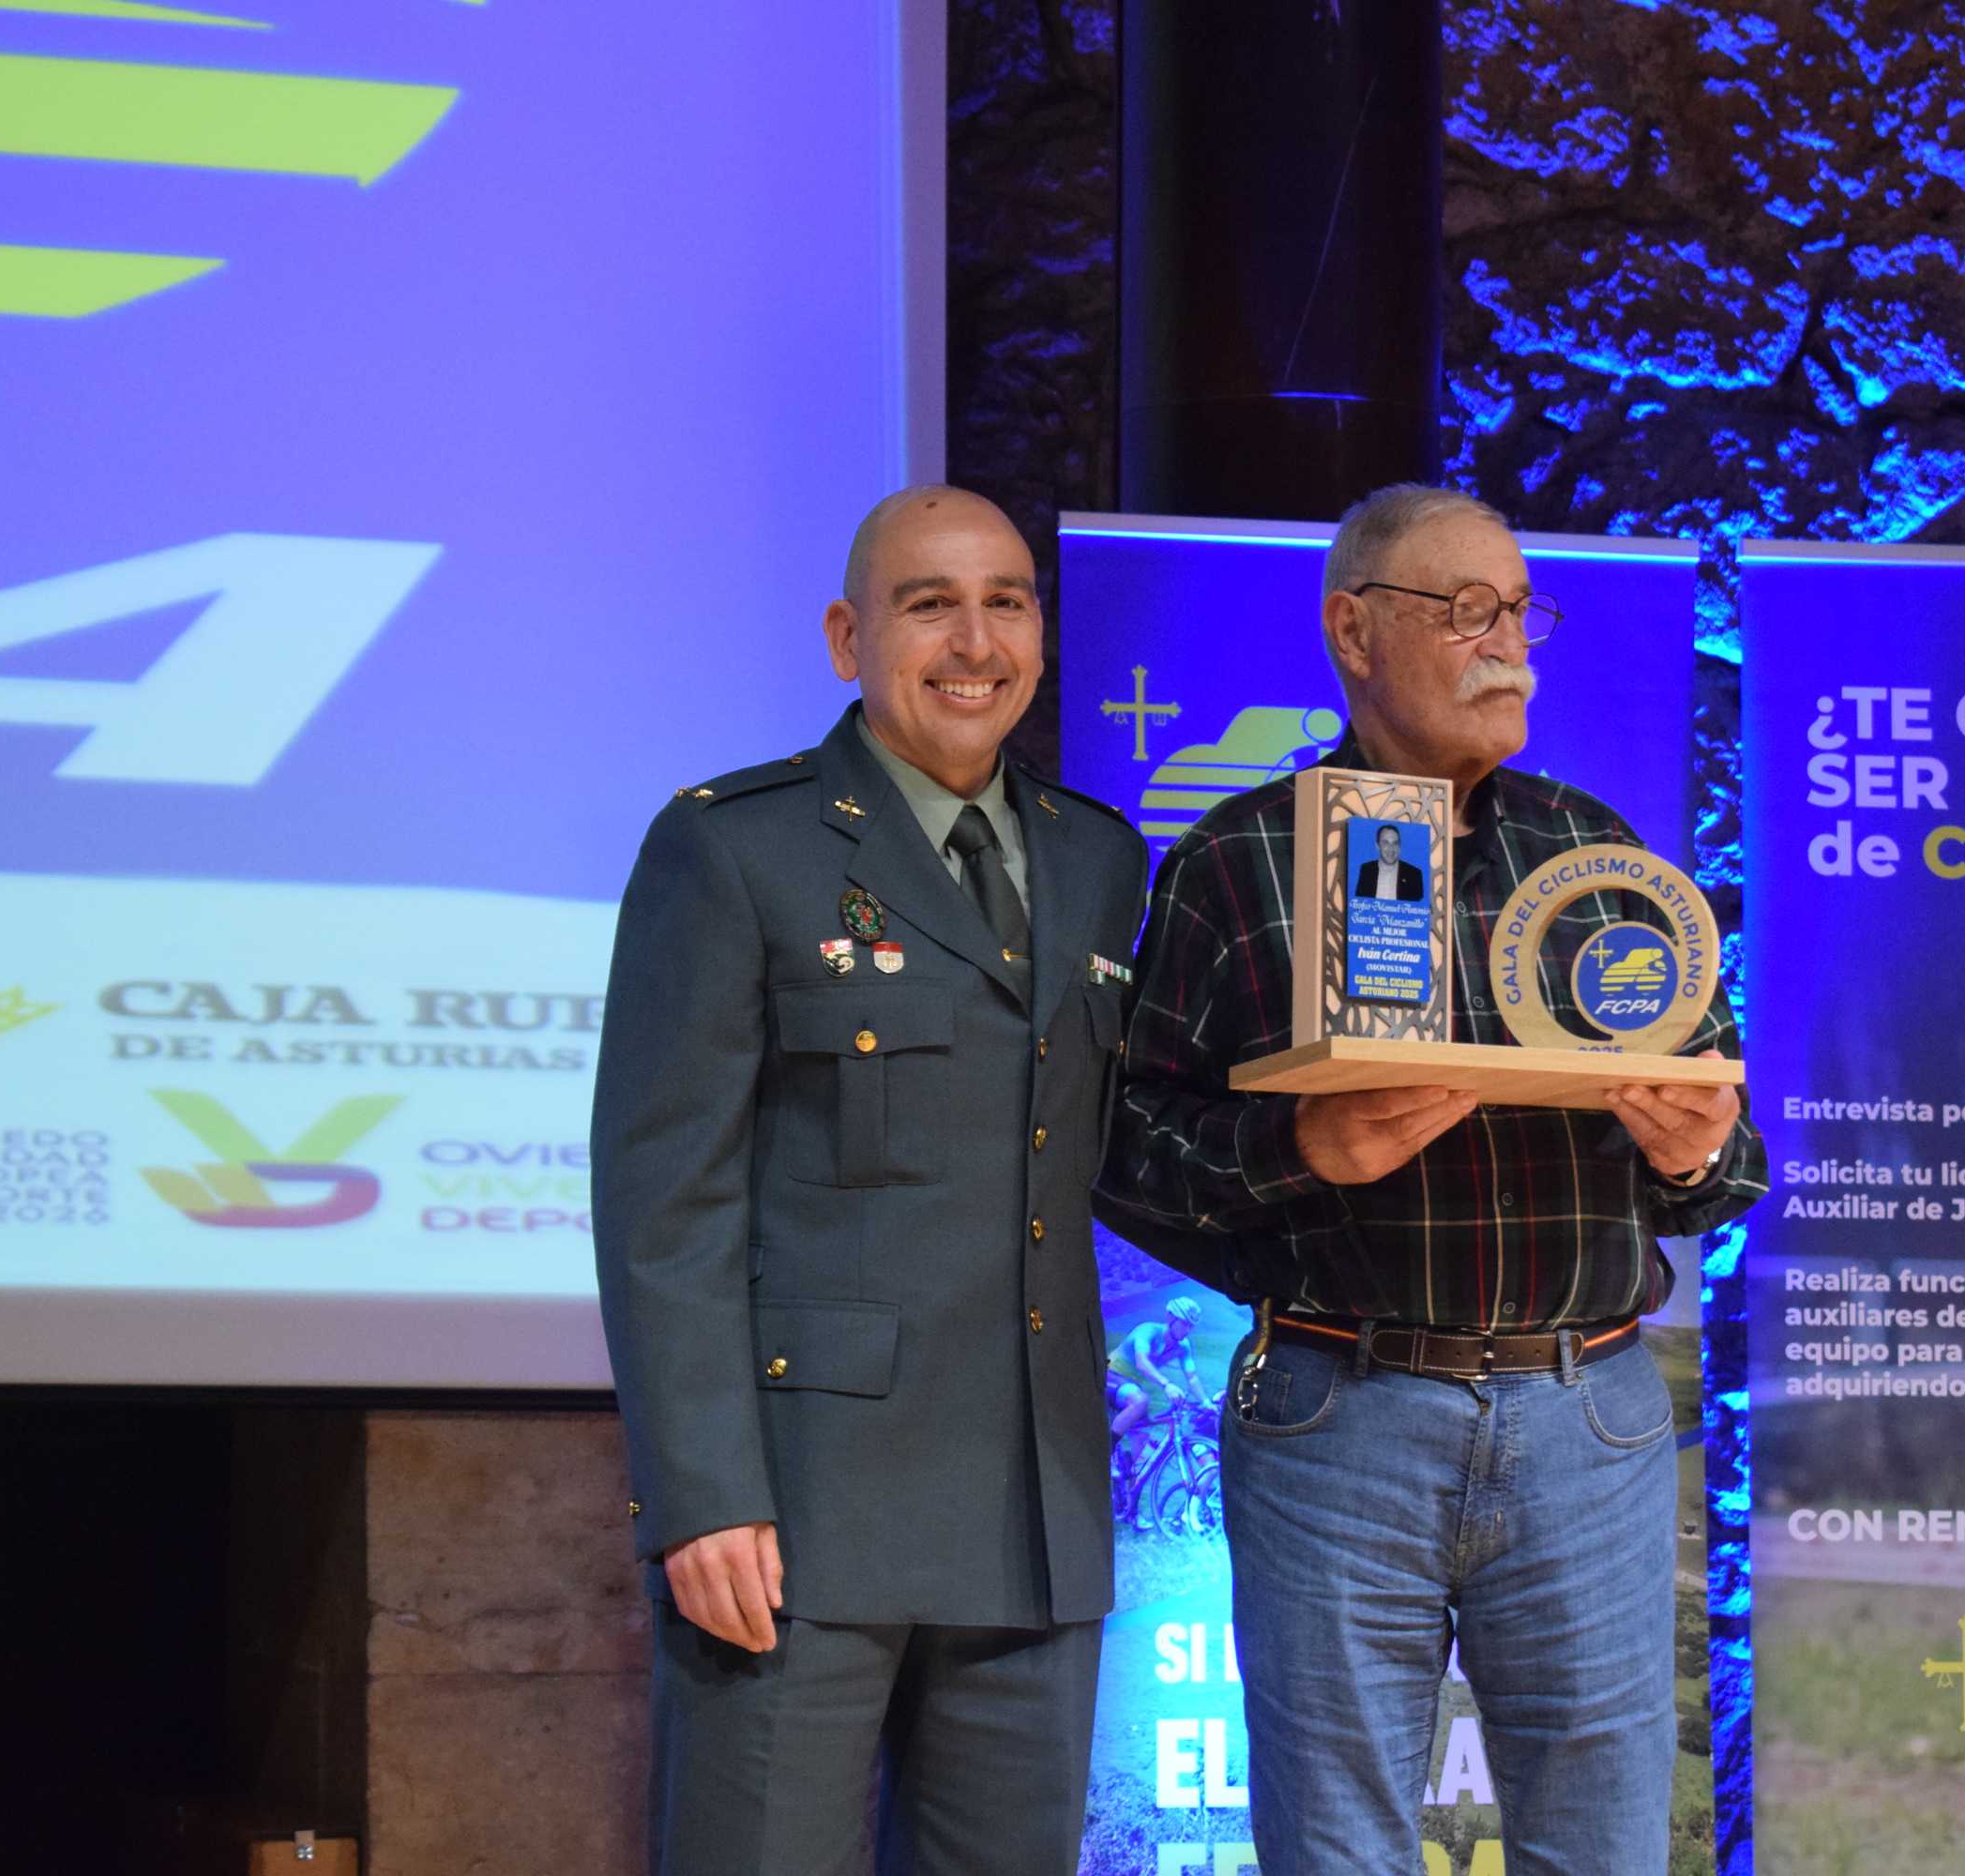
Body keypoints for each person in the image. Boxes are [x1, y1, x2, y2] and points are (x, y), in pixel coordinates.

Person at [1096, 483, 1767, 1874]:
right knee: (1337, 1850)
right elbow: (1122, 1152)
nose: (1507, 642)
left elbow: (1728, 1162)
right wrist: (1299, 1152)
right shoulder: (1238, 864)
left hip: (1590, 1423)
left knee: (1606, 1852)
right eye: (1464, 610)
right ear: (1353, 629)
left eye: (1522, 611)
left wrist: (1694, 1152)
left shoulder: (1600, 860)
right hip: (1338, 1416)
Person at [592, 485, 1149, 1876]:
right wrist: (704, 1493)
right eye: (929, 604)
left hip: (1035, 1503)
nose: (975, 640)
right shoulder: (736, 847)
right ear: (850, 637)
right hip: (803, 1515)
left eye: (1006, 601)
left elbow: (1127, 1152)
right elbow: (667, 1201)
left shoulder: (1099, 859)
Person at [1108, 1294, 1214, 1439]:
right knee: (1140, 1401)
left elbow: (1192, 1378)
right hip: (1111, 1374)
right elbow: (1142, 1362)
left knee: (1143, 1435)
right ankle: (1106, 1451)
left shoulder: (1183, 1346)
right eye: (1184, 1324)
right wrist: (1167, 1385)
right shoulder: (1148, 1330)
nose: (1187, 1330)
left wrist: (1205, 1402)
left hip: (1133, 1384)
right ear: (1170, 1317)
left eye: (1191, 1326)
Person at [1354, 821, 1423, 900]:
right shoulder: (1366, 870)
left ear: (1399, 847)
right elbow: (1360, 905)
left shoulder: (1414, 875)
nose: (1391, 848)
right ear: (1377, 846)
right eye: (1385, 843)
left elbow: (1417, 909)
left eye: (1395, 843)